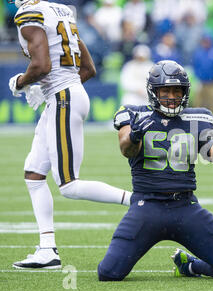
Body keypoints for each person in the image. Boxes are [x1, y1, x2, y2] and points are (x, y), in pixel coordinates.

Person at [97, 60, 213, 281]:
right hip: (147, 207)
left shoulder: (198, 117)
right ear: (153, 91)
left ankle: (191, 266)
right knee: (109, 273)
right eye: (165, 90)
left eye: (177, 90)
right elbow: (126, 150)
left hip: (185, 208)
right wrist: (135, 136)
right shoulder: (133, 113)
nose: (171, 96)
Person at [8, 0, 132, 269]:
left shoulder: (29, 13)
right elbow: (88, 69)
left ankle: (138, 201)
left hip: (63, 98)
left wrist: (19, 82)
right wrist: (50, 89)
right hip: (65, 95)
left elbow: (41, 65)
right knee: (34, 174)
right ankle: (47, 249)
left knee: (68, 185)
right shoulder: (61, 10)